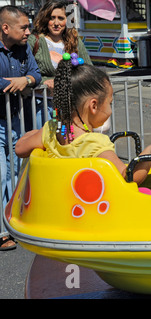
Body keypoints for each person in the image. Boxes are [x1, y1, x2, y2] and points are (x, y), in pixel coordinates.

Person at [15, 55, 151, 186]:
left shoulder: (52, 130)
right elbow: (128, 176)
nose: (110, 108)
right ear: (93, 106)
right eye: (109, 103)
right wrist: (150, 151)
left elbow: (20, 148)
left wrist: (36, 133)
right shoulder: (93, 144)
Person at [0, 5, 41, 251]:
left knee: (14, 172)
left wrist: (24, 80)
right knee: (1, 173)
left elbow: (34, 73)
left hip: (14, 119)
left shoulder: (24, 48)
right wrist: (13, 83)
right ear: (6, 28)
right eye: (24, 27)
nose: (29, 32)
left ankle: (10, 223)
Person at [27, 0, 92, 129]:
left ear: (66, 20)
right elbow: (25, 70)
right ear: (45, 19)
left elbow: (89, 68)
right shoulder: (35, 41)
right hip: (42, 105)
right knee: (44, 143)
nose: (56, 23)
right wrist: (44, 81)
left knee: (66, 143)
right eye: (52, 18)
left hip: (71, 105)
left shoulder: (74, 40)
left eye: (60, 18)